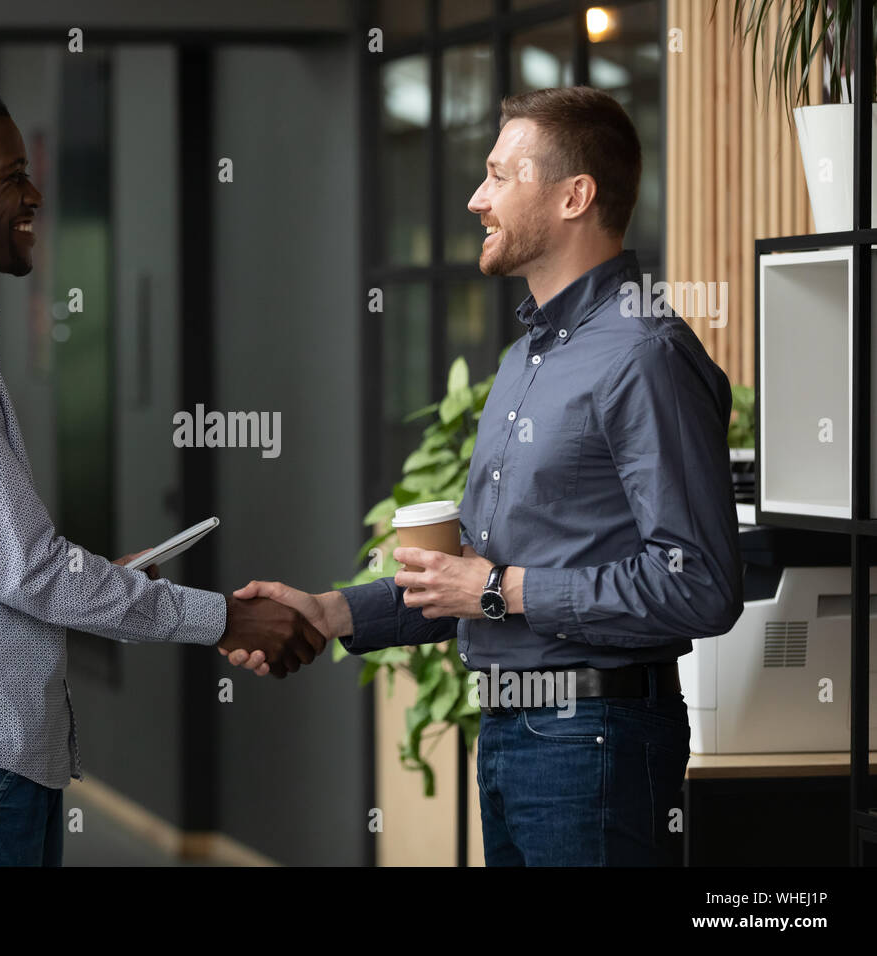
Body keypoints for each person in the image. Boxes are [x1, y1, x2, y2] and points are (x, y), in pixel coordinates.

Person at [229, 86, 743, 866]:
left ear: (575, 195)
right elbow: (473, 574)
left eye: (500, 175)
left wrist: (504, 589)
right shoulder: (527, 358)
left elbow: (700, 583)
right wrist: (329, 612)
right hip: (513, 736)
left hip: (593, 741)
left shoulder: (645, 355)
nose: (477, 198)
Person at [0, 76, 323, 867]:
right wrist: (222, 617)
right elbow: (26, 572)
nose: (34, 196)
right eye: (13, 175)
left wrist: (91, 579)